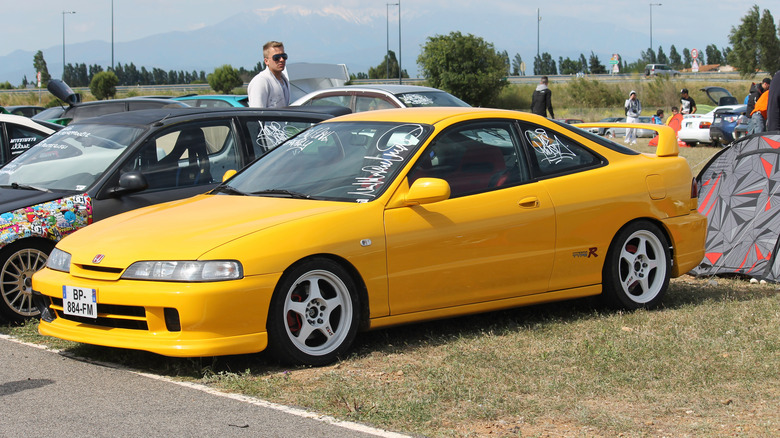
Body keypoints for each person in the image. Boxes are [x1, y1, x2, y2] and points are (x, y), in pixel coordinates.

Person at [247, 41, 290, 108]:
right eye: (276, 57)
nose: (281, 60)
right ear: (266, 61)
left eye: (284, 56)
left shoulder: (285, 80)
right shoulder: (260, 81)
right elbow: (256, 114)